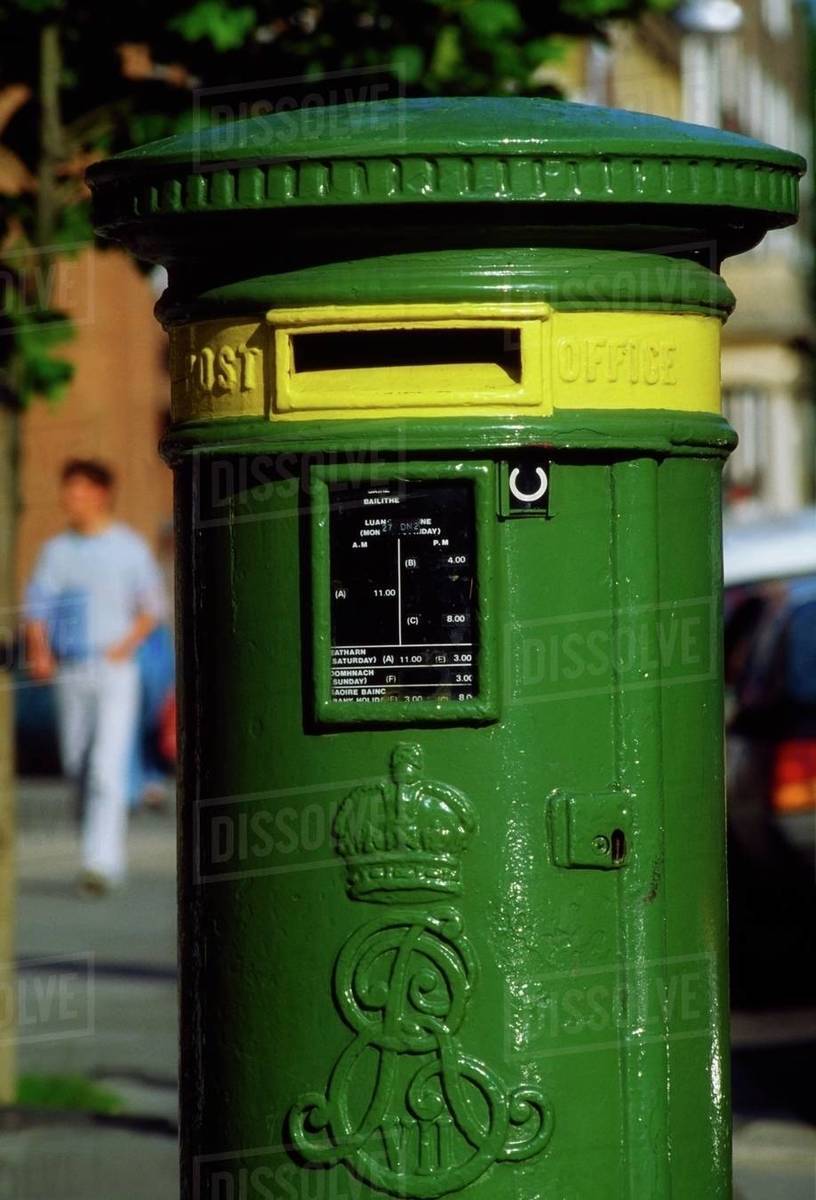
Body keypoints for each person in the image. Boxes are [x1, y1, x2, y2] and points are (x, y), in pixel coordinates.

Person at [24, 459, 167, 895]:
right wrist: (40, 653)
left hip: (115, 668)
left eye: (81, 490)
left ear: (102, 494)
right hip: (72, 668)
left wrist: (124, 645)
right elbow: (37, 608)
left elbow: (151, 608)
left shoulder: (128, 548)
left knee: (108, 765)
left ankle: (100, 862)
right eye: (69, 490)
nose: (72, 499)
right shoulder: (57, 552)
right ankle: (92, 841)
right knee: (78, 762)